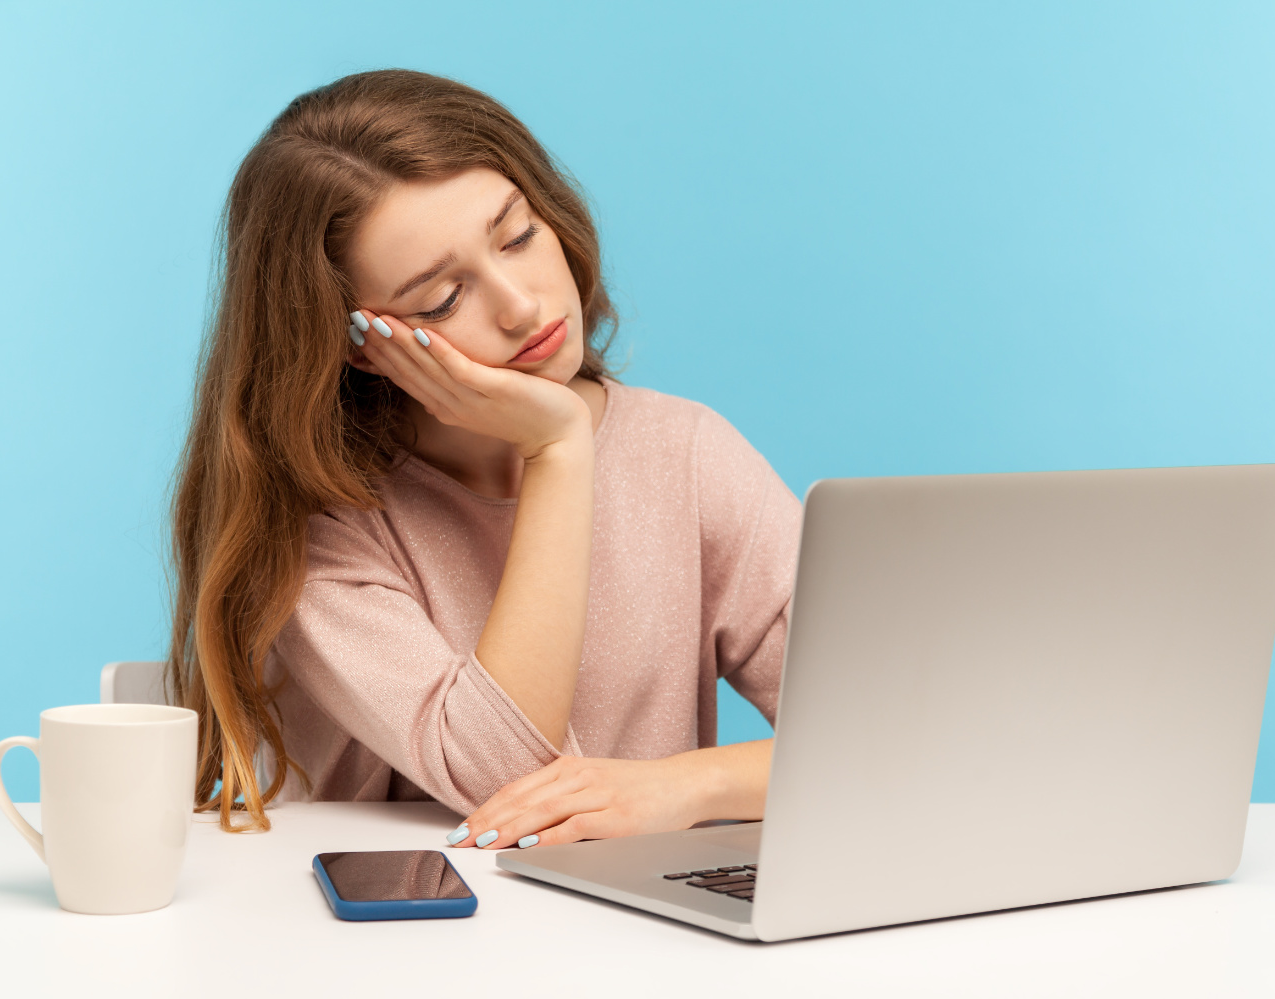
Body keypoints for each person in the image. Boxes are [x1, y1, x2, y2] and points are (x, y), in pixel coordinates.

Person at [167, 69, 800, 851]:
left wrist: (686, 786)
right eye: (440, 299)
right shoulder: (323, 530)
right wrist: (559, 450)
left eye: (518, 235)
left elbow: (896, 727)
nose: (522, 305)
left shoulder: (688, 455)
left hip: (647, 936)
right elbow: (503, 781)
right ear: (362, 348)